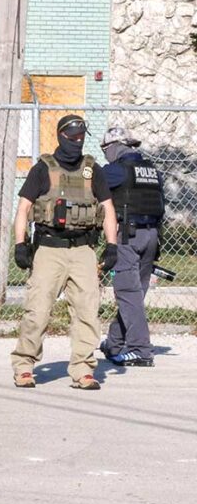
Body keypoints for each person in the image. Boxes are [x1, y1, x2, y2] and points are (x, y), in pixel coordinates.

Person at [10, 115, 118, 390]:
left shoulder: (93, 170)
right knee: (38, 311)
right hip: (49, 249)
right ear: (60, 136)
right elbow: (23, 209)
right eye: (72, 138)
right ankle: (24, 366)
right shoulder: (42, 169)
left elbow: (107, 209)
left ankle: (83, 370)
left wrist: (112, 245)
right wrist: (20, 244)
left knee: (87, 312)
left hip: (83, 249)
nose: (77, 143)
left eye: (81, 138)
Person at [98, 126, 164, 367]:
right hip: (152, 236)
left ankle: (139, 350)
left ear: (114, 147)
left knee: (127, 293)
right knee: (135, 295)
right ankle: (114, 343)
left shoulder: (115, 170)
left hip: (127, 236)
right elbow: (161, 207)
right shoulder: (152, 171)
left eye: (105, 149)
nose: (105, 154)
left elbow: (91, 188)